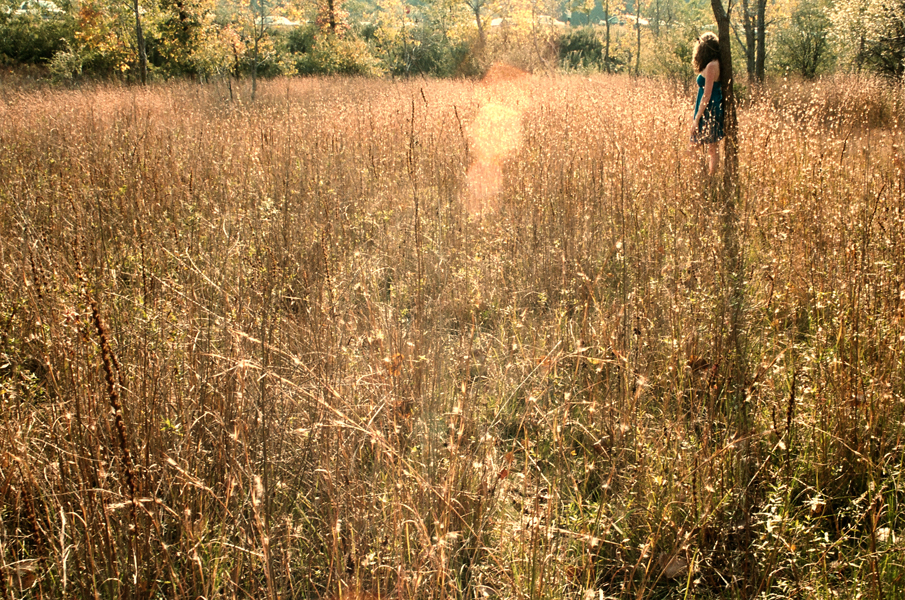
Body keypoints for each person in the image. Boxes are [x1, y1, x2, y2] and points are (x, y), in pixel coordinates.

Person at [689, 32, 724, 175]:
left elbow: (707, 94)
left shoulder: (711, 66)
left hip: (709, 108)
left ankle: (707, 176)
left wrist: (697, 118)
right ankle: (707, 175)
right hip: (710, 106)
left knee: (702, 146)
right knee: (710, 146)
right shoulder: (715, 63)